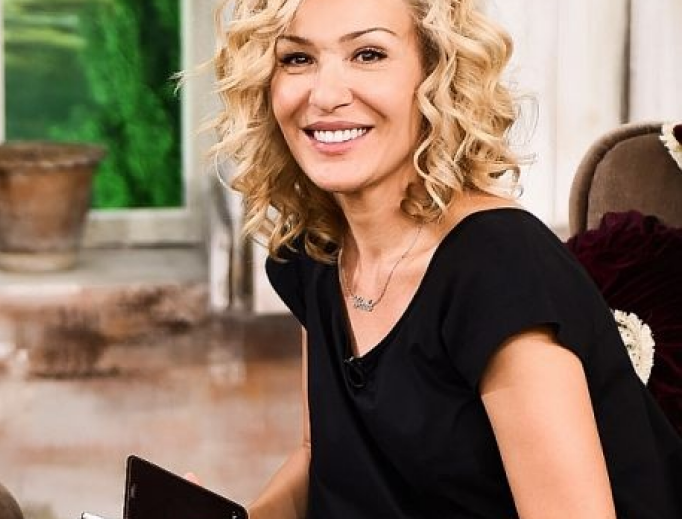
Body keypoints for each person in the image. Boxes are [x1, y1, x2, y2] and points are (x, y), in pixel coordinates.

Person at [206, 0, 682, 518]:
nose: (324, 95)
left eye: (368, 54)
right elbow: (320, 458)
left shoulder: (500, 268)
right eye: (297, 59)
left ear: (437, 75)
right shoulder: (317, 249)